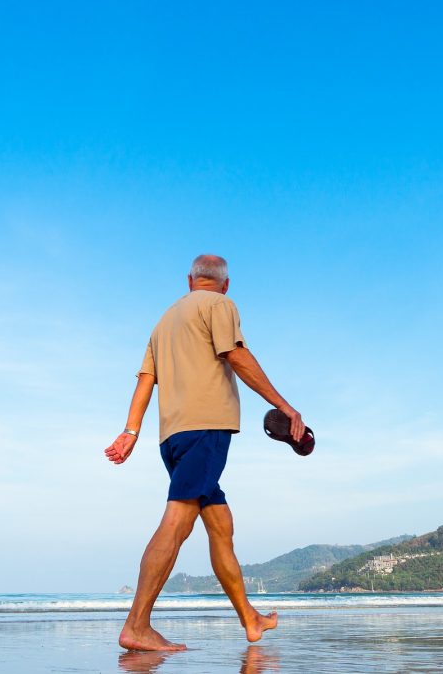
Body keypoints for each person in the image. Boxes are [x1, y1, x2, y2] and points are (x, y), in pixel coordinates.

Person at [104, 254, 306, 652]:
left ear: (190, 280)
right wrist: (286, 406)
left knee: (220, 525)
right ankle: (136, 626)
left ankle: (249, 618)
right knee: (178, 522)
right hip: (205, 429)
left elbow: (146, 381)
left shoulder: (163, 322)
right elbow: (236, 355)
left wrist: (131, 431)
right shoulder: (221, 305)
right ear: (225, 284)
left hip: (172, 438)